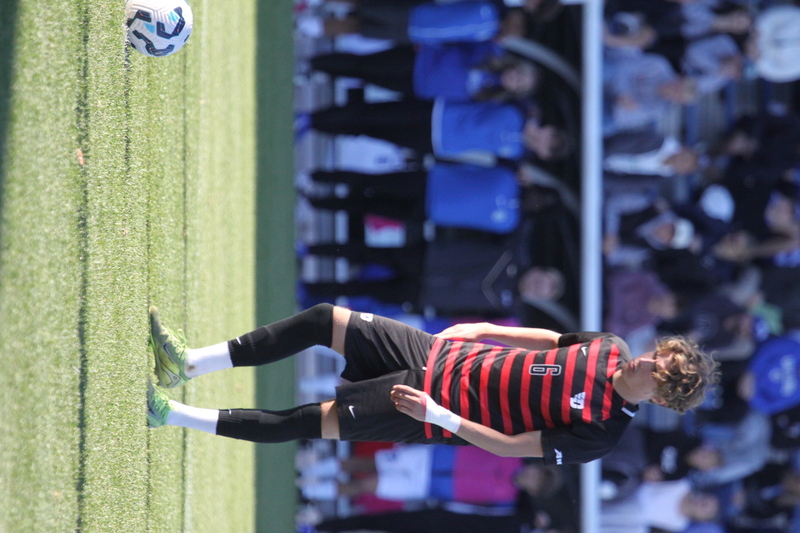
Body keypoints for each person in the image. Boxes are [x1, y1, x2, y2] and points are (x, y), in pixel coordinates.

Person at [146, 304, 718, 464]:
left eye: (658, 370)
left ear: (664, 398)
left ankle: (169, 414)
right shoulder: (611, 347)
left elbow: (511, 447)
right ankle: (191, 362)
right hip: (437, 354)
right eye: (656, 354)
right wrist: (483, 329)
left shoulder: (602, 433)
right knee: (325, 319)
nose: (645, 361)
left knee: (306, 420)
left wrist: (438, 418)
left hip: (435, 408)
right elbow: (550, 342)